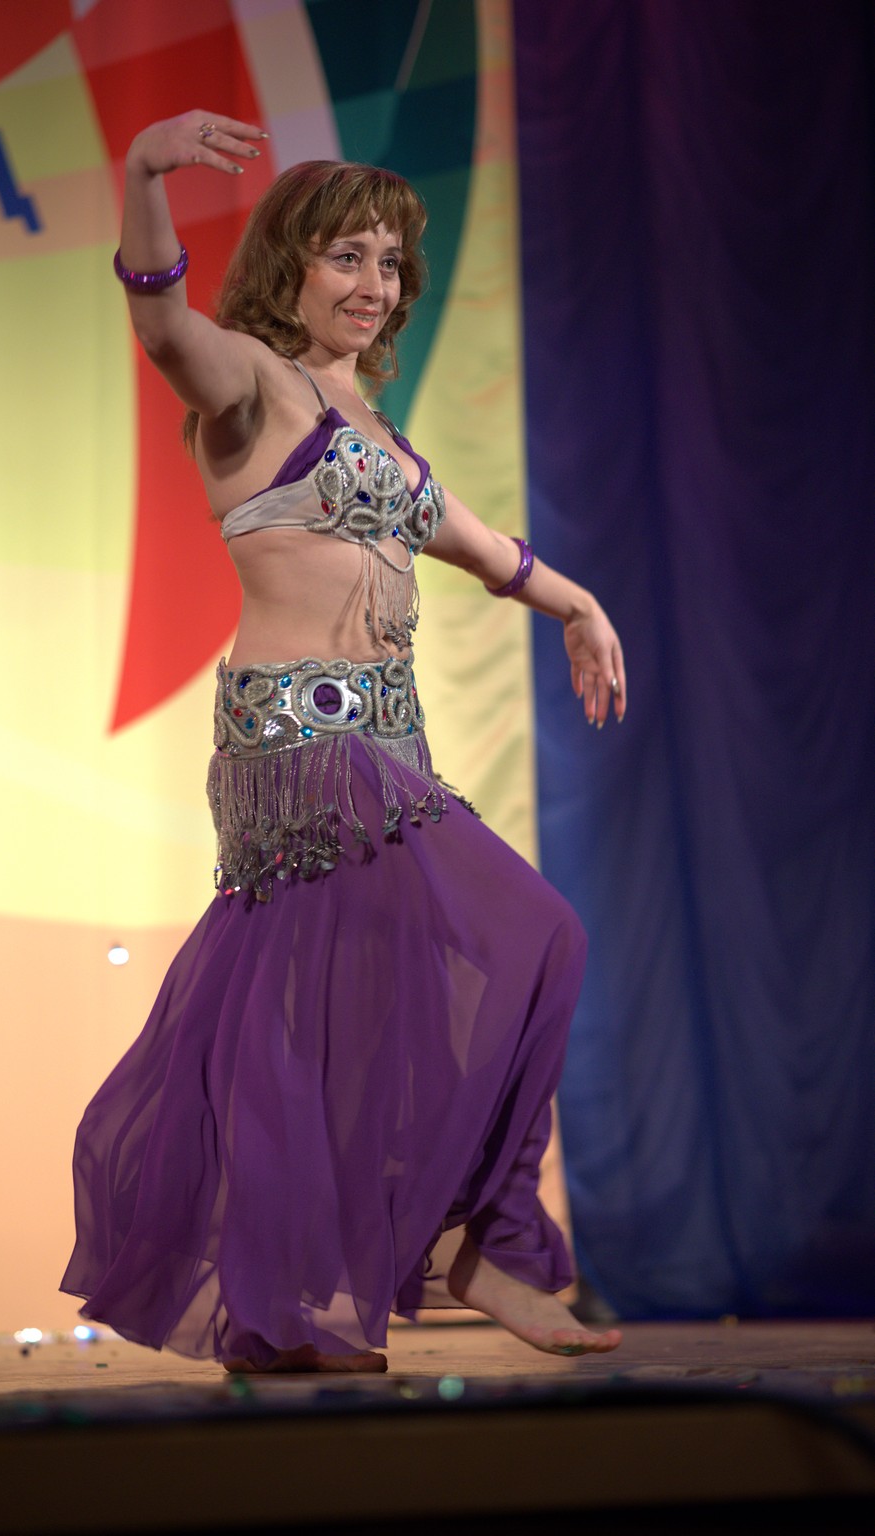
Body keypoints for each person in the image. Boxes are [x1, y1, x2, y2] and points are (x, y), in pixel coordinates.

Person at [61, 110, 625, 1372]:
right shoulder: (251, 385)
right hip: (304, 747)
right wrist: (144, 173)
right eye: (344, 257)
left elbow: (481, 548)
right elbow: (161, 322)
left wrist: (577, 605)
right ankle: (477, 1242)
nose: (372, 283)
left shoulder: (374, 423)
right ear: (291, 268)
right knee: (531, 934)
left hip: (391, 749)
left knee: (332, 1029)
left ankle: (303, 1303)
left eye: (387, 261)